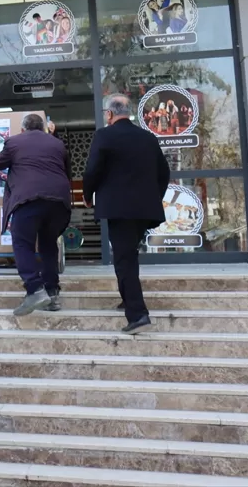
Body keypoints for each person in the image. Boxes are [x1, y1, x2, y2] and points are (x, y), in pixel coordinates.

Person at [83, 94, 171, 334]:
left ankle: (138, 314)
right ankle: (127, 297)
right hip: (143, 209)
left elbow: (93, 170)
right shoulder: (148, 137)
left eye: (105, 114)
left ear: (109, 114)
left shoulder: (104, 135)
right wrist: (154, 196)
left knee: (124, 259)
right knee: (128, 255)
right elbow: (164, 172)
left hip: (119, 210)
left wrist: (87, 194)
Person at [0, 114, 72, 316]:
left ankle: (34, 289)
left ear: (23, 129)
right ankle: (52, 294)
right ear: (43, 127)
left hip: (28, 199)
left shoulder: (15, 142)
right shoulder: (57, 144)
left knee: (22, 243)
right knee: (48, 244)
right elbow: (67, 172)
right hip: (59, 201)